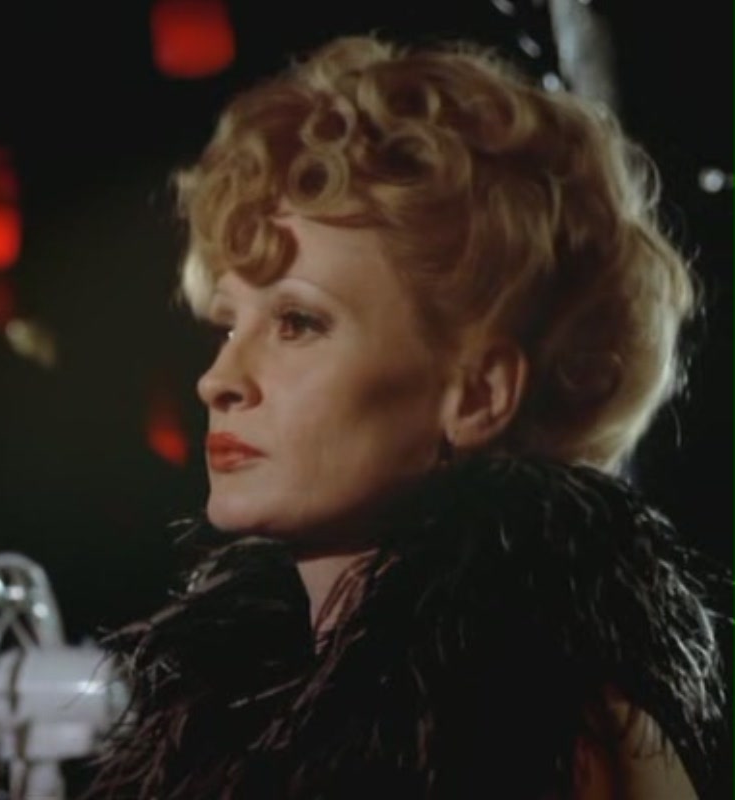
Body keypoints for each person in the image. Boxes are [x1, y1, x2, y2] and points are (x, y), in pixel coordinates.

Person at [83, 33, 728, 799]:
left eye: (298, 323)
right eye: (229, 326)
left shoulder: (537, 737)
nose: (218, 380)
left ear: (478, 395)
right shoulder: (271, 723)